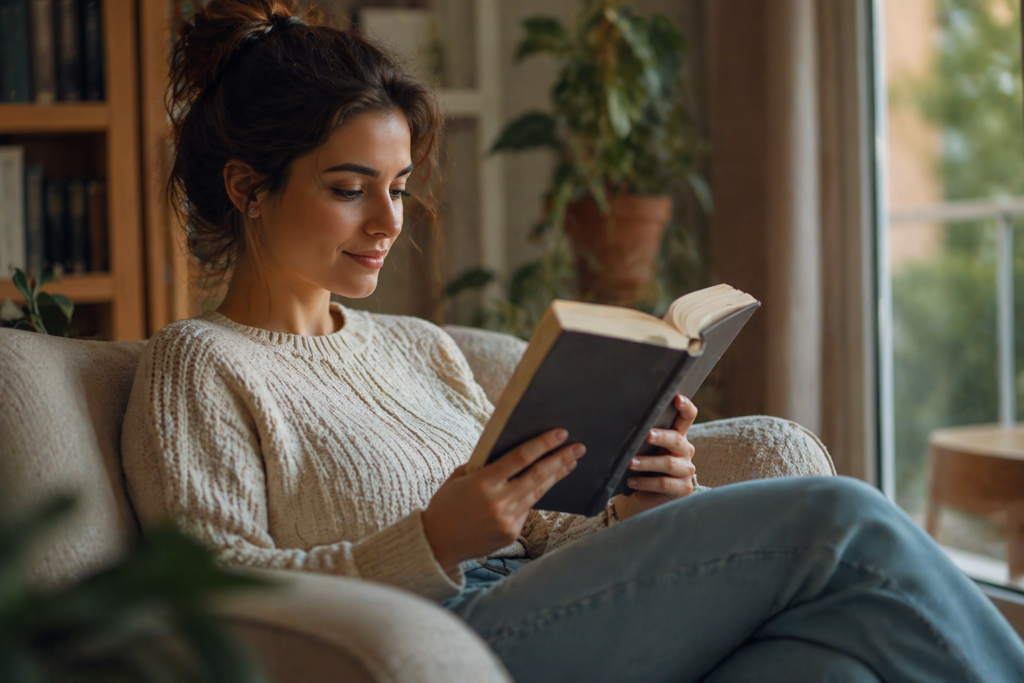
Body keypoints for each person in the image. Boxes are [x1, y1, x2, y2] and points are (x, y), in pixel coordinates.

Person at [121, 1, 1024, 681]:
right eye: (350, 188)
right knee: (837, 515)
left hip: (553, 615)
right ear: (247, 187)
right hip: (446, 644)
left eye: (396, 188)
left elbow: (545, 530)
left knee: (829, 662)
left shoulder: (420, 347)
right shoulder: (197, 365)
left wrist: (635, 502)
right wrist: (432, 540)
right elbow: (212, 597)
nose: (389, 221)